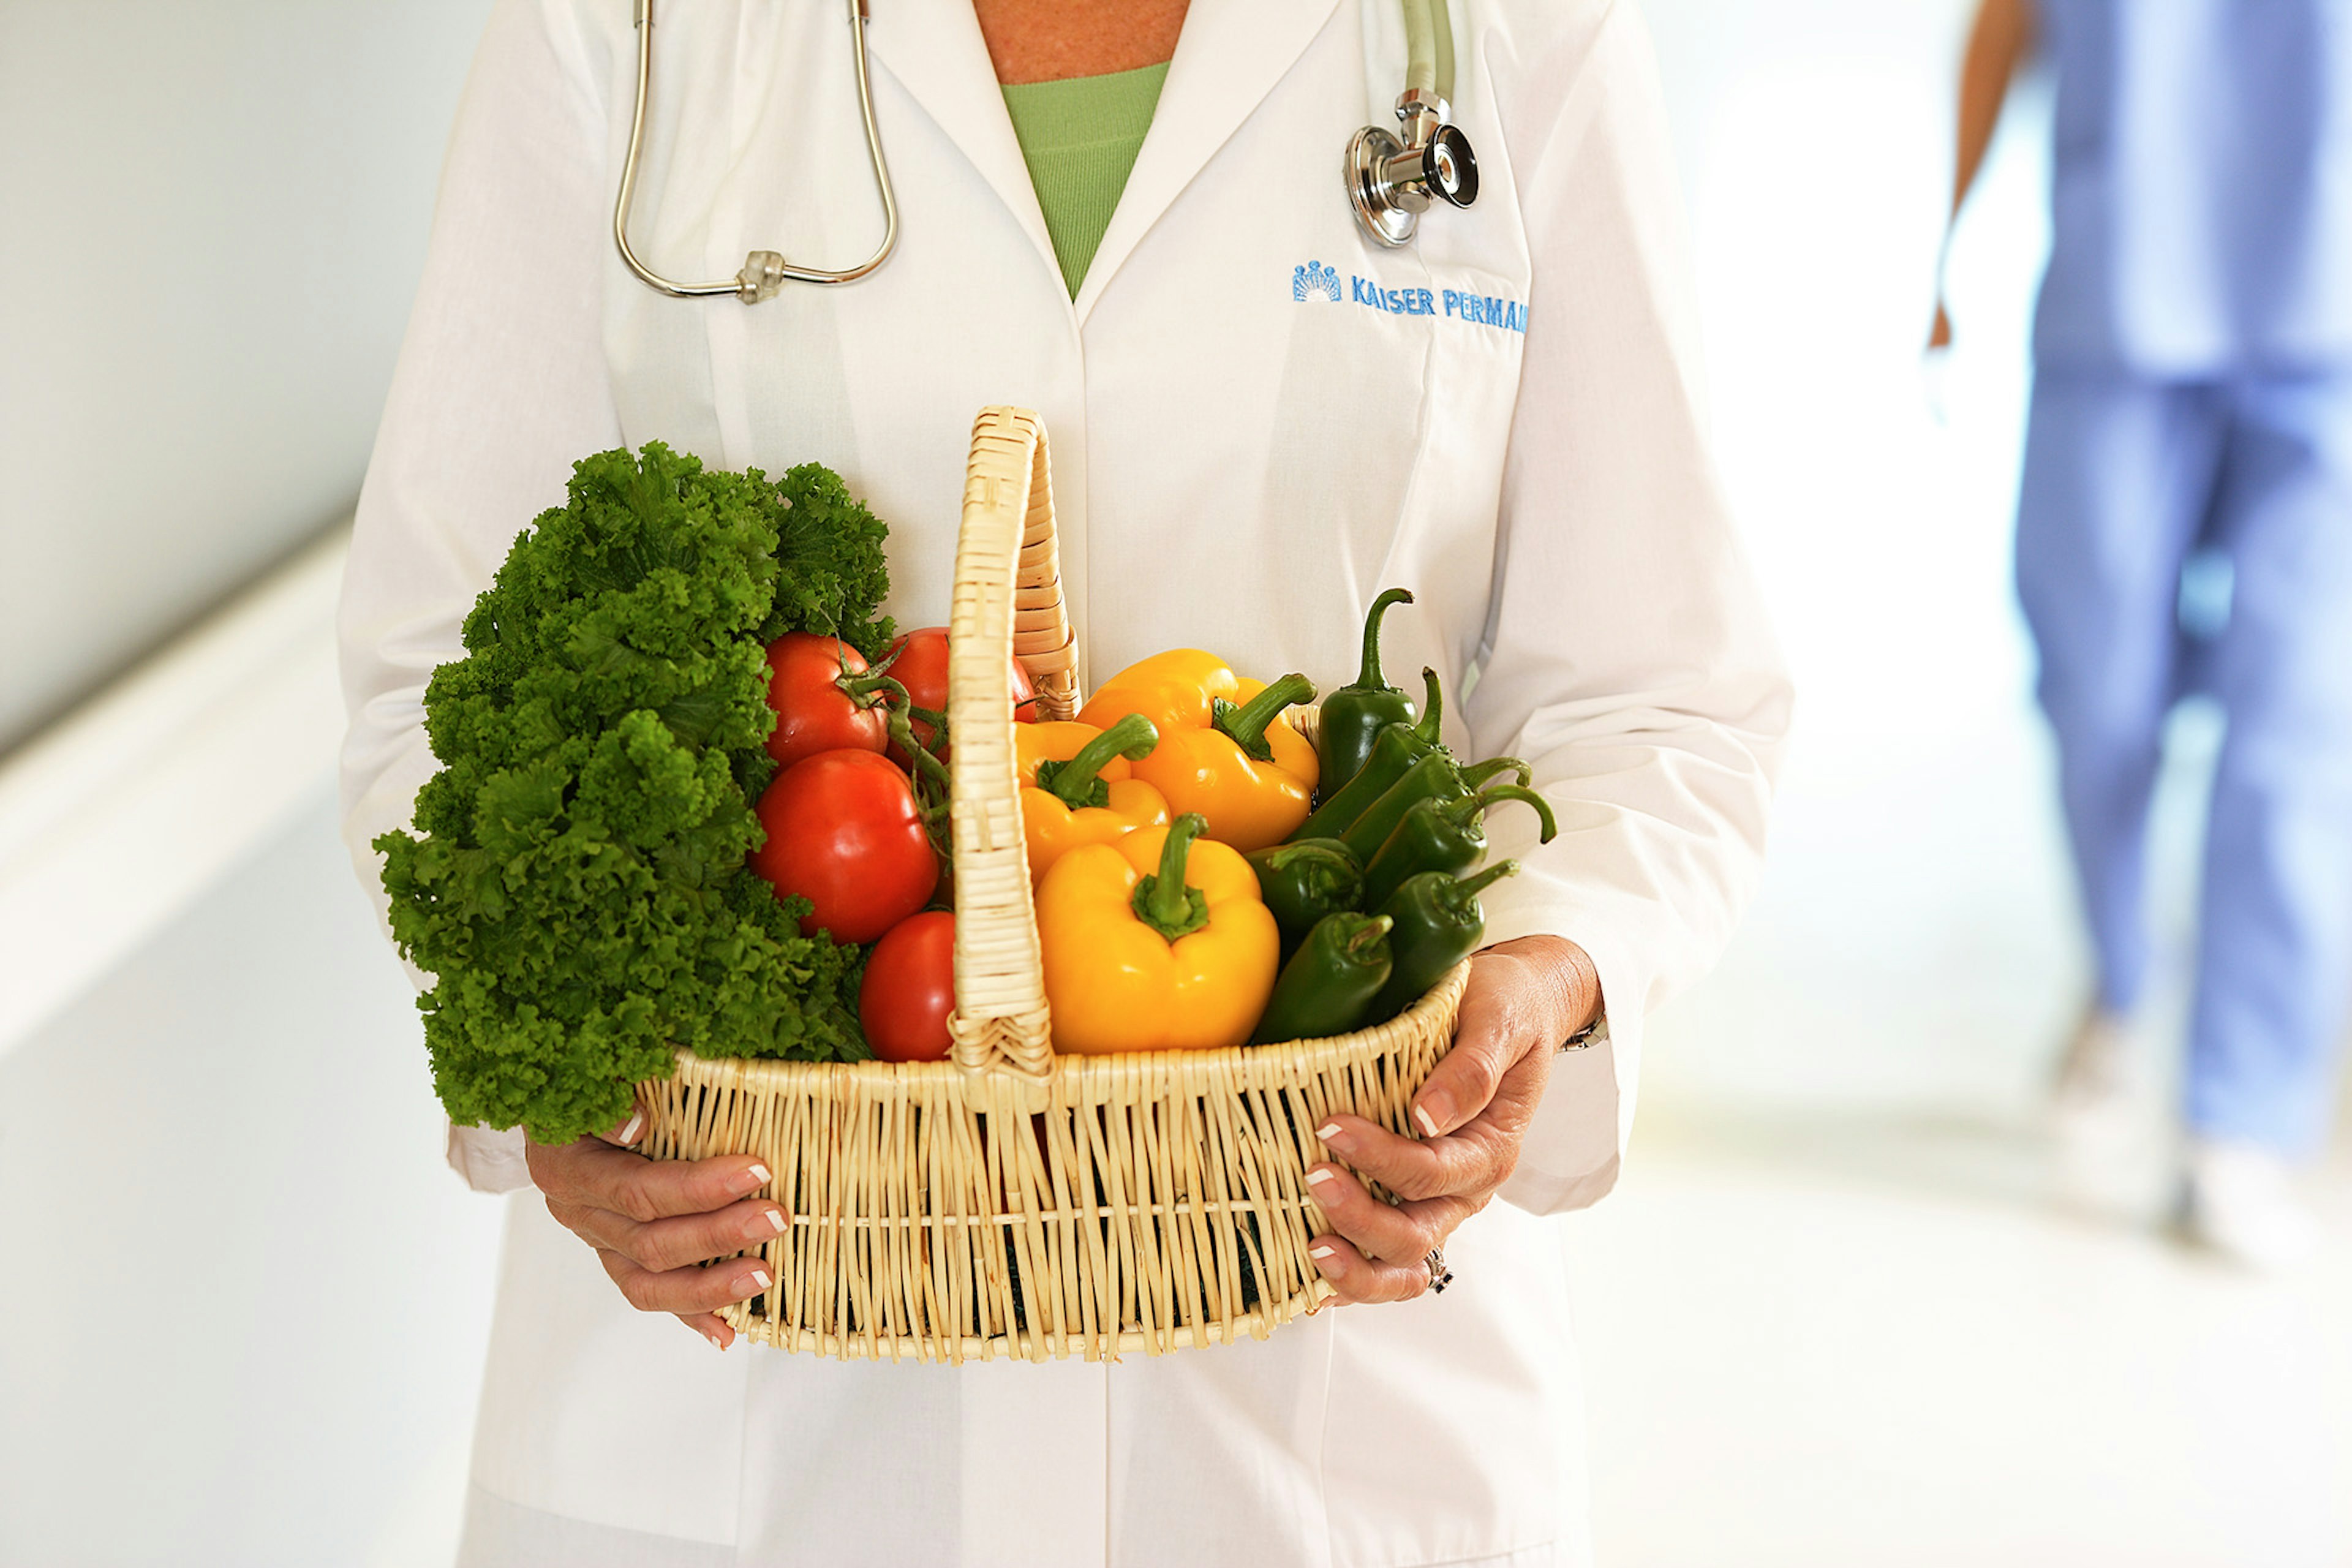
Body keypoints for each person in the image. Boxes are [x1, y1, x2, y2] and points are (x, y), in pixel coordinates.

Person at [339, 1, 1790, 1561]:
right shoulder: (613, 30)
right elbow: (445, 687)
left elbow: (1657, 694)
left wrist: (1553, 966)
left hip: (1325, 1405)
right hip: (743, 1417)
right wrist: (574, 1097)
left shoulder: (1514, 31)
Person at [1933, 0, 2352, 1267]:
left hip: (2332, 306)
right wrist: (1946, 241)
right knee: (2095, 690)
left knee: (2303, 719)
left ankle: (2240, 1121)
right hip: (2126, 289)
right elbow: (2007, 15)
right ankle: (2122, 977)